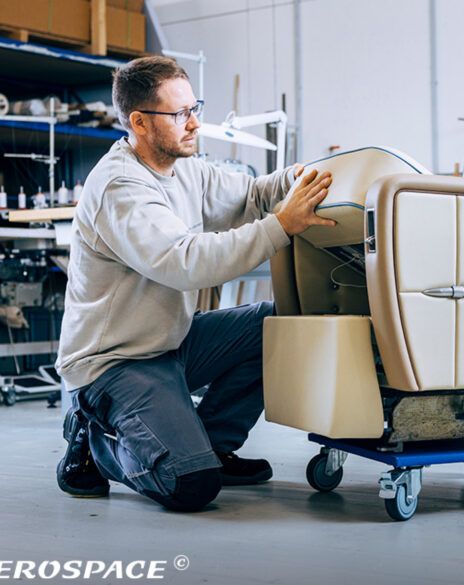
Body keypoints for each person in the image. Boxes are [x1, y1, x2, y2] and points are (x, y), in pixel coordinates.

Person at [53, 56, 335, 512]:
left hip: (171, 344)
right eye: (180, 113)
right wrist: (281, 225)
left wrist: (304, 178)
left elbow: (253, 195)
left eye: (194, 107)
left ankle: (213, 445)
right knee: (191, 487)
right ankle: (96, 441)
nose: (195, 123)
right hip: (115, 364)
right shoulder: (119, 187)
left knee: (277, 323)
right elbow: (185, 262)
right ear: (140, 122)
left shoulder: (186, 169)